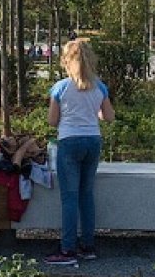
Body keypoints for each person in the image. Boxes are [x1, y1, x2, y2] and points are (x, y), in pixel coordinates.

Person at [44, 40, 115, 265]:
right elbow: (109, 116)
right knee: (86, 195)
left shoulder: (61, 87)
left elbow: (52, 121)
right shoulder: (99, 86)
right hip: (93, 140)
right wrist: (94, 113)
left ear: (66, 62)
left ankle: (67, 249)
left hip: (69, 141)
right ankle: (88, 245)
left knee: (69, 197)